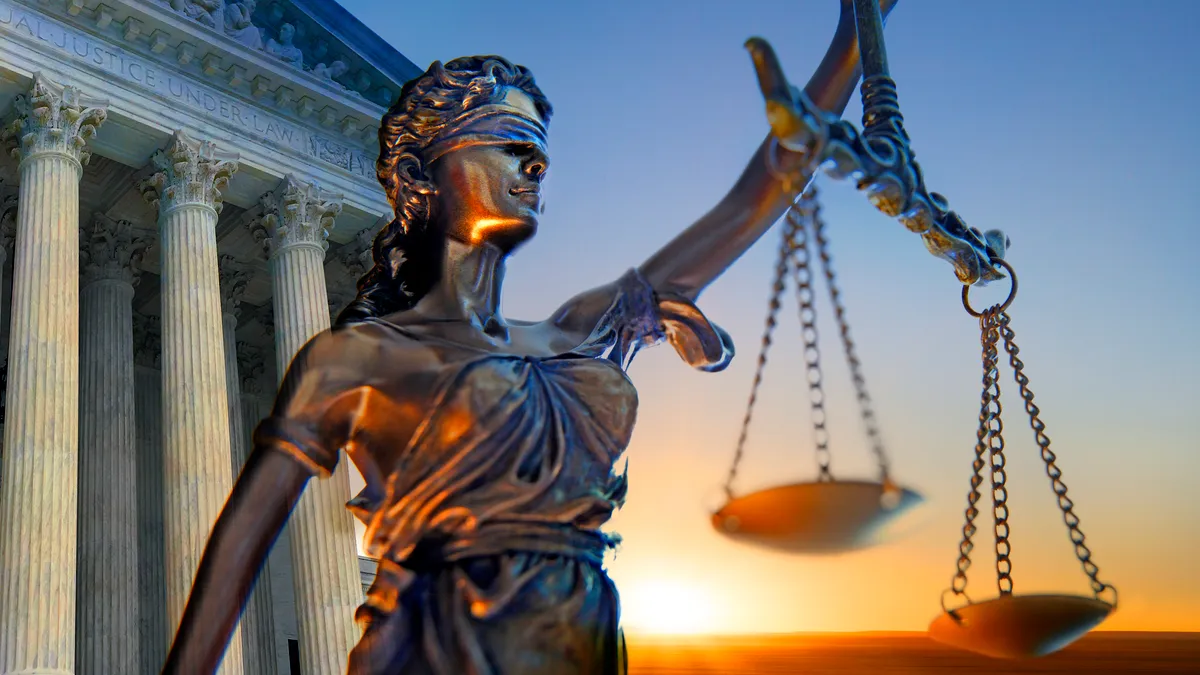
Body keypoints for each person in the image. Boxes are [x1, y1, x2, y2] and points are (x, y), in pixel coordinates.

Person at [162, 1, 896, 673]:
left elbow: (764, 184)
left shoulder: (583, 325)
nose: (535, 167)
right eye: (509, 145)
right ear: (424, 173)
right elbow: (237, 552)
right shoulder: (356, 358)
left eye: (539, 152)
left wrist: (857, 33)